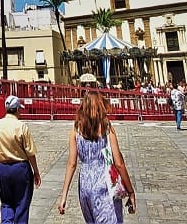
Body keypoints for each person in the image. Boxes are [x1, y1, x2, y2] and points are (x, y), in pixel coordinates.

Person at [58, 91, 136, 223]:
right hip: (104, 182)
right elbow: (119, 163)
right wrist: (130, 191)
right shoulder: (106, 128)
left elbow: (71, 164)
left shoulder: (75, 130)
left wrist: (64, 195)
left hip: (84, 185)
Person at [0, 95, 41, 224]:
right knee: (21, 203)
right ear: (17, 109)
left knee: (6, 203)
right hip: (20, 168)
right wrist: (36, 171)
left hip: (2, 167)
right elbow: (30, 152)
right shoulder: (21, 126)